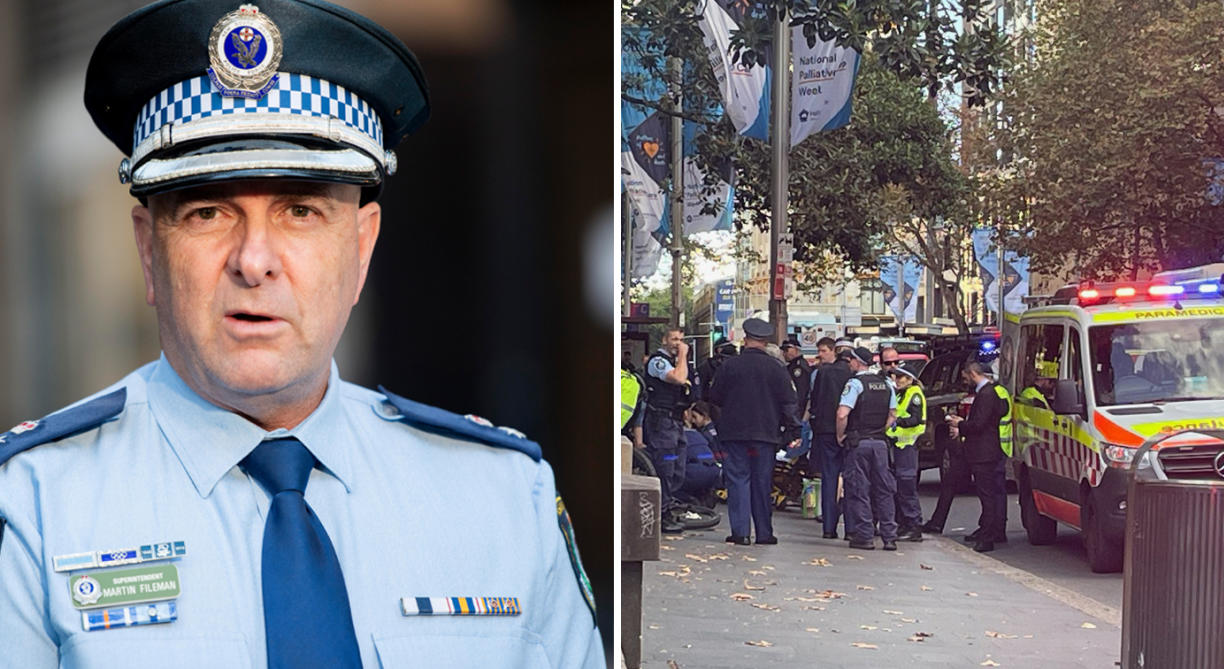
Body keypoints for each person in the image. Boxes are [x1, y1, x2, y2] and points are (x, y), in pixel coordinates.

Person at [0, 2, 604, 666]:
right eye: (207, 212)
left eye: (299, 210)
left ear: (362, 246)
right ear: (149, 251)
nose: (253, 259)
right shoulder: (31, 508)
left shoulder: (501, 501)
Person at [709, 318, 800, 546]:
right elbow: (789, 403)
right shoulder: (777, 368)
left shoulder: (729, 366)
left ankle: (740, 532)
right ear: (766, 340)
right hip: (766, 434)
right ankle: (764, 532)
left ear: (745, 338)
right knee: (762, 481)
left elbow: (714, 398)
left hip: (734, 433)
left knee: (738, 480)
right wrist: (793, 430)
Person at [836, 346, 899, 550]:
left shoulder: (855, 383)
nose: (850, 364)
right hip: (880, 443)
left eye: (851, 361)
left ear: (857, 362)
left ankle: (865, 535)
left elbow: (842, 413)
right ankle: (889, 536)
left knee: (859, 488)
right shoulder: (886, 383)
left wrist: (840, 435)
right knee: (884, 490)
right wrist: (880, 429)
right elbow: (893, 415)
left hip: (859, 442)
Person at [946, 362, 1011, 553]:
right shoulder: (993, 392)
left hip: (984, 452)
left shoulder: (986, 394)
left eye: (967, 376)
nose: (965, 380)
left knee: (987, 495)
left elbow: (980, 424)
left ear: (974, 373)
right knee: (987, 494)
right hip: (988, 451)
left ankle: (987, 537)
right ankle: (987, 532)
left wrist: (961, 424)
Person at [644, 328, 694, 533]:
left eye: (681, 340)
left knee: (677, 469)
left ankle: (667, 507)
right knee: (665, 468)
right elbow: (679, 379)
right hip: (661, 423)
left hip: (675, 423)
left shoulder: (675, 362)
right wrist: (683, 354)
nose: (678, 343)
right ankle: (661, 514)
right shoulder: (658, 362)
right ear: (664, 340)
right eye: (674, 339)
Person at [809, 336, 853, 539]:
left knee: (829, 477)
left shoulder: (822, 373)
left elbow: (815, 402)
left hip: (826, 431)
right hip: (848, 431)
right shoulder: (853, 375)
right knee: (852, 478)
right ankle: (851, 527)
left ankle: (829, 527)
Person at [886, 365, 927, 541]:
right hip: (898, 445)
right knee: (899, 487)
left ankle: (914, 526)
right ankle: (903, 524)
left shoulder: (915, 394)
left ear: (910, 379)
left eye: (901, 377)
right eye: (896, 376)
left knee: (906, 486)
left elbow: (915, 419)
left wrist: (897, 423)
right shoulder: (901, 393)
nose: (897, 379)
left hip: (907, 445)